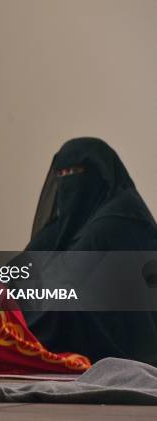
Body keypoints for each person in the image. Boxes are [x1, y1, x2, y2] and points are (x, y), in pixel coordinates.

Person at [23, 137, 157, 365]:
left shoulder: (118, 218)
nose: (68, 181)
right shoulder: (71, 219)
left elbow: (70, 282)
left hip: (124, 339)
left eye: (75, 171)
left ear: (101, 175)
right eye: (61, 174)